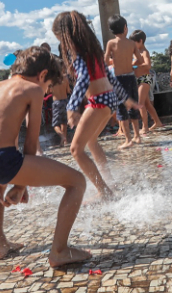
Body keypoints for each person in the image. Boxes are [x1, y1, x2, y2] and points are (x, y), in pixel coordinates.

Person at [0, 47, 89, 265]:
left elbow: (4, 138)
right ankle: (59, 252)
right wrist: (21, 186)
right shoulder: (32, 89)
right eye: (48, 84)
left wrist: (16, 180)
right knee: (77, 182)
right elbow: (31, 143)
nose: (46, 88)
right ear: (42, 75)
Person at [53, 11, 139, 201]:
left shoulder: (76, 52)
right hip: (109, 99)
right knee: (91, 142)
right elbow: (110, 77)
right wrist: (125, 98)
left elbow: (83, 78)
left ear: (65, 35)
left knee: (76, 149)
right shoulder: (93, 49)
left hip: (99, 100)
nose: (60, 43)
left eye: (59, 38)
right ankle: (109, 181)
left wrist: (72, 107)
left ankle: (104, 192)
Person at [104, 15, 143, 148]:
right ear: (125, 28)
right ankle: (137, 136)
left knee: (121, 108)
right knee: (133, 106)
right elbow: (140, 60)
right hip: (131, 77)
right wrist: (131, 64)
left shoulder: (111, 43)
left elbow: (105, 61)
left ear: (111, 30)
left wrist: (114, 62)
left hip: (119, 79)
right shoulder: (131, 43)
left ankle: (128, 140)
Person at [129, 30, 163, 134]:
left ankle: (145, 126)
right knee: (147, 104)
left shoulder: (144, 52)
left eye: (134, 42)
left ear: (140, 41)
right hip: (139, 79)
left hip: (145, 78)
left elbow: (148, 65)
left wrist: (136, 66)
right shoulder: (136, 52)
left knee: (140, 103)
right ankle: (157, 122)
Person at [49, 71, 71, 146]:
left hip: (56, 102)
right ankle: (64, 141)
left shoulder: (52, 79)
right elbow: (68, 91)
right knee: (64, 122)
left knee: (55, 124)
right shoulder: (65, 78)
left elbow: (48, 91)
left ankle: (62, 136)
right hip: (65, 101)